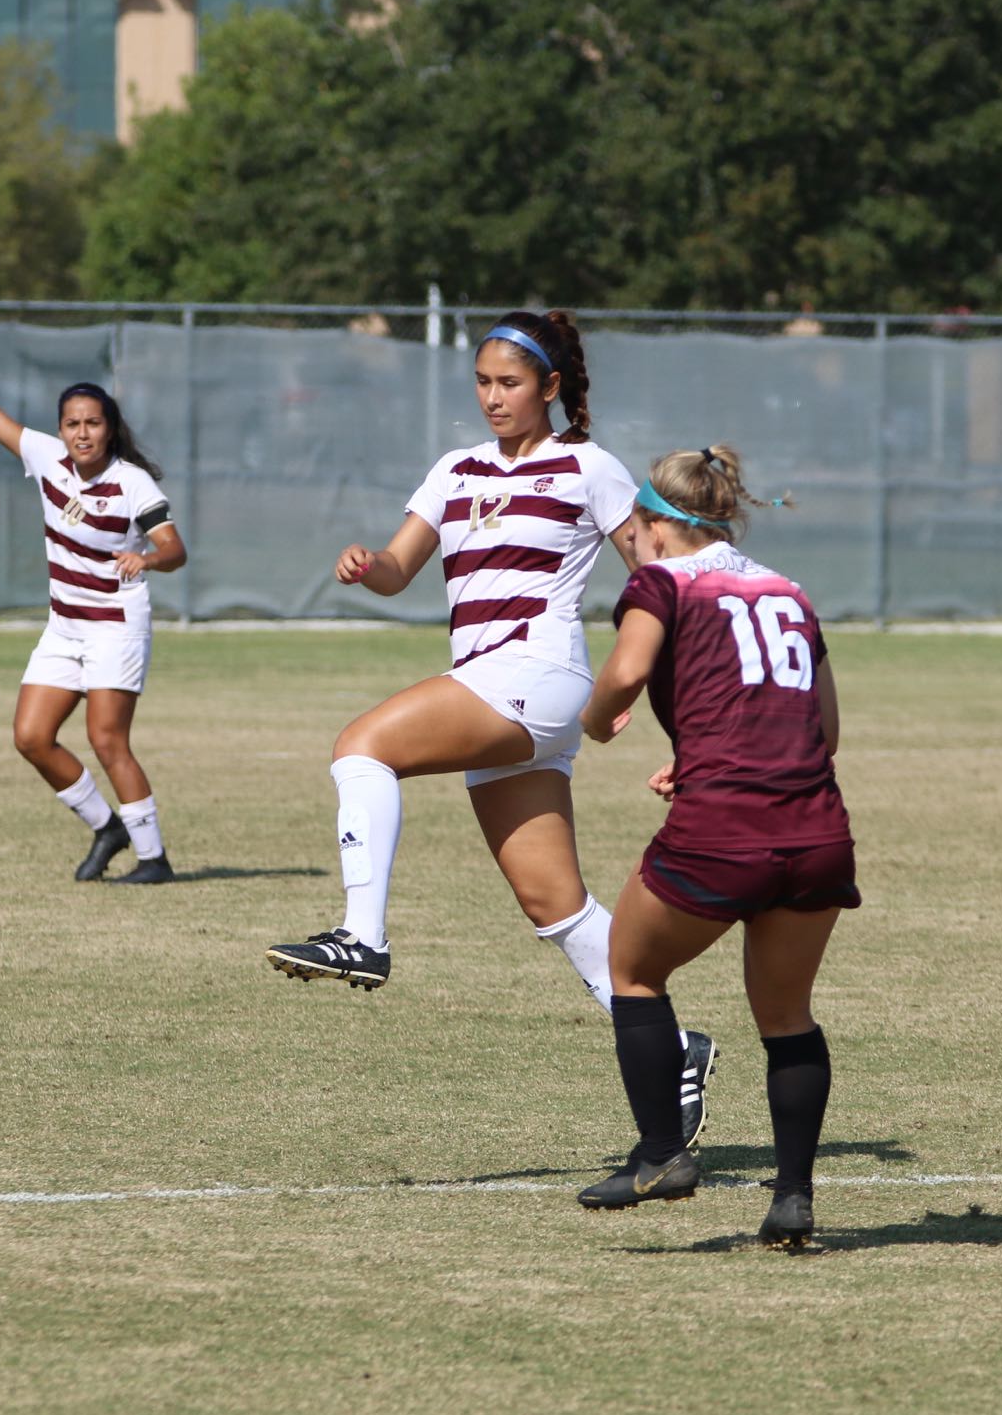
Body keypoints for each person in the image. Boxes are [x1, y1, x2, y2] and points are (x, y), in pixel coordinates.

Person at [261, 311, 718, 1144]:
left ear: (551, 387)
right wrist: (371, 566)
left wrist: (685, 721)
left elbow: (657, 585)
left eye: (510, 382)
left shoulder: (588, 467)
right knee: (555, 904)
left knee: (360, 747)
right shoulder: (454, 469)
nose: (493, 397)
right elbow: (402, 569)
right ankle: (677, 1048)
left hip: (535, 677)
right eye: (482, 382)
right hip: (501, 692)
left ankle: (363, 937)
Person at [571, 446, 852, 1250]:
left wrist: (596, 722)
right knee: (787, 1016)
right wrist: (699, 753)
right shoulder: (788, 591)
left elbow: (626, 673)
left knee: (632, 970)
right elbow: (823, 731)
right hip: (816, 829)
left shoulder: (659, 582)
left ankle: (662, 1154)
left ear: (657, 524)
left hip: (725, 829)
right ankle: (792, 1199)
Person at [0, 335, 187, 883]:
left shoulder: (131, 482)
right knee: (30, 737)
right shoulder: (46, 457)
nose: (81, 433)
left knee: (106, 739)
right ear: (61, 429)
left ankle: (154, 858)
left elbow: (174, 548)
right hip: (65, 628)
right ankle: (106, 826)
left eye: (93, 423)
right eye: (72, 423)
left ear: (110, 428)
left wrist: (146, 559)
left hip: (114, 627)